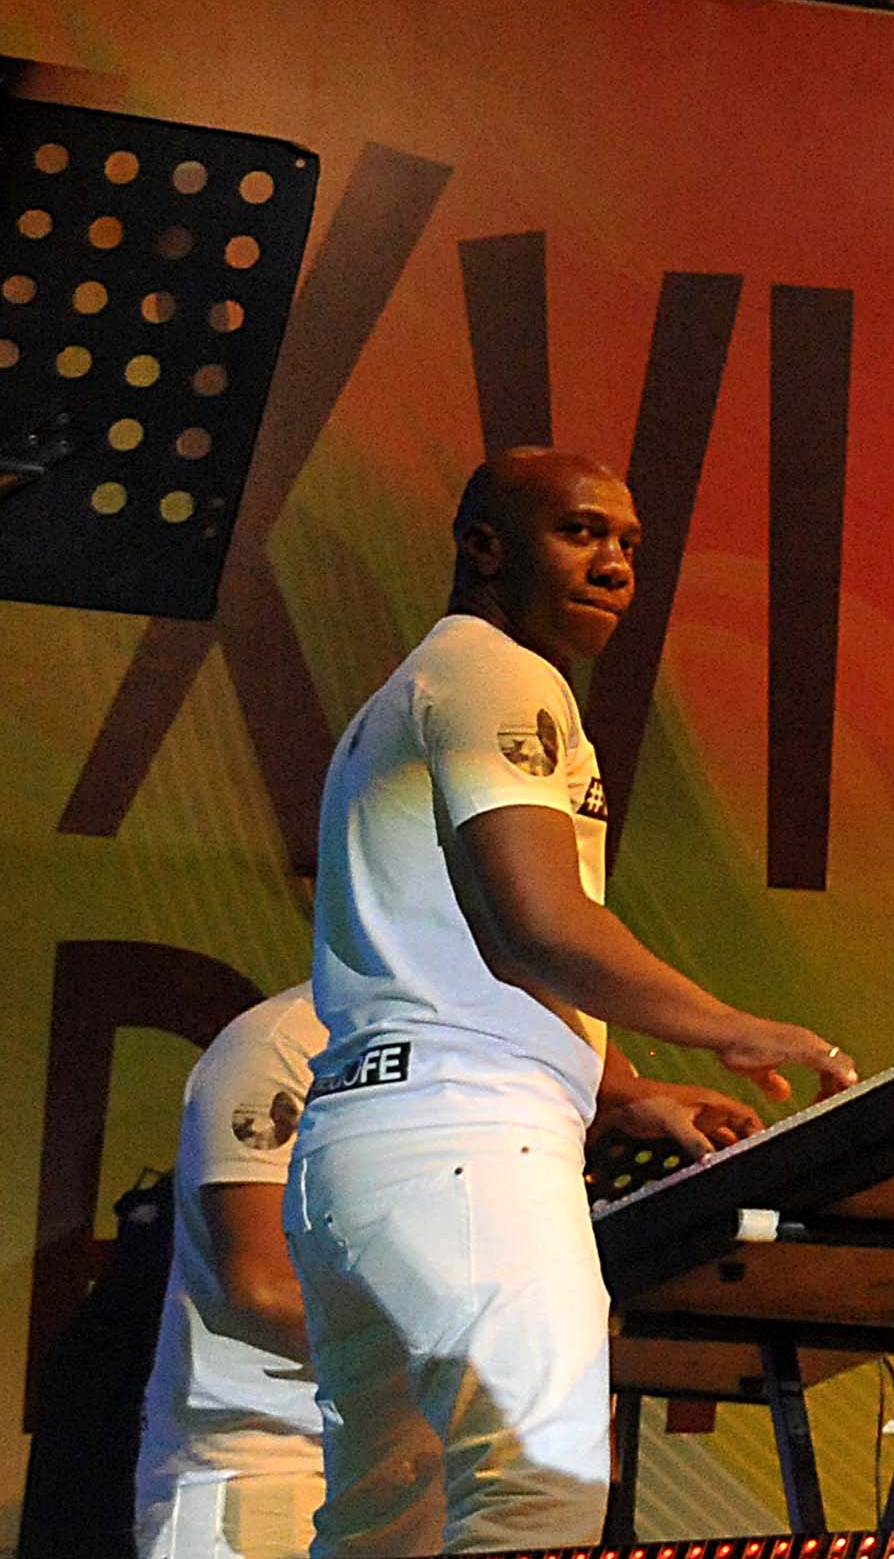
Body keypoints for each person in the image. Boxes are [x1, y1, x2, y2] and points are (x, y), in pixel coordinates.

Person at [290, 449, 849, 1557]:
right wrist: (740, 1025)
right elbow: (540, 925)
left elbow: (461, 948)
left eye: (630, 544)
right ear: (486, 546)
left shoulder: (418, 686)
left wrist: (623, 1088)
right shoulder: (499, 676)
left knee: (385, 1533)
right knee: (536, 1498)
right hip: (464, 1146)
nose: (615, 565)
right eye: (581, 532)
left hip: (361, 1149)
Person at [134, 984, 325, 1559]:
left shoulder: (480, 1040)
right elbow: (263, 1288)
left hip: (403, 1474)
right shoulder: (284, 1042)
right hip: (269, 1475)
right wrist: (490, 1353)